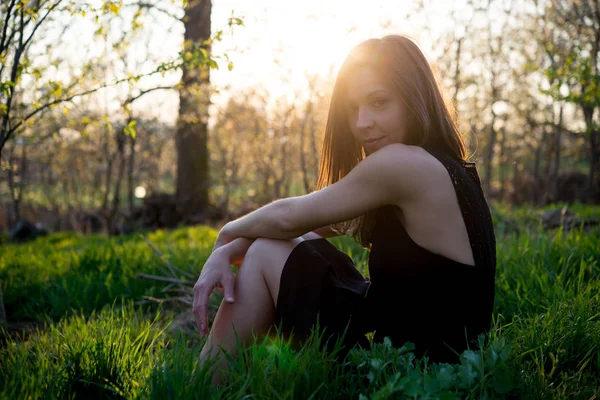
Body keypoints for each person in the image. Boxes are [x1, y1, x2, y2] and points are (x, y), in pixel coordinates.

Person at [192, 34, 496, 381]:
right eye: (353, 108)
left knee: (264, 255)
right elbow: (302, 226)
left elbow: (288, 217)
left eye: (379, 102)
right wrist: (232, 249)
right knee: (271, 245)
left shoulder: (401, 164)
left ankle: (204, 383)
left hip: (405, 377)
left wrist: (226, 235)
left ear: (414, 99)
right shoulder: (447, 169)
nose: (361, 122)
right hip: (443, 370)